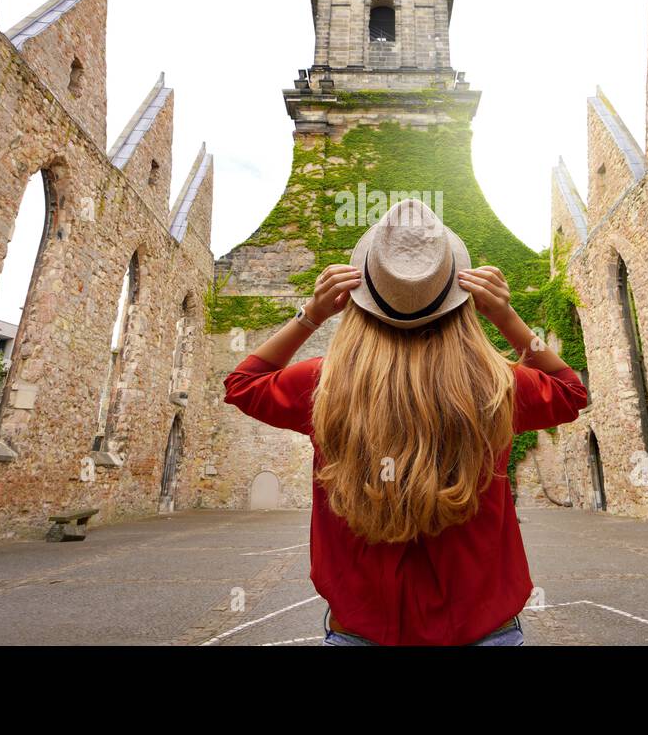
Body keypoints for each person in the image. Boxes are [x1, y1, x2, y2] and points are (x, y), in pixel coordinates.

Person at [222, 198, 588, 645]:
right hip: (481, 631)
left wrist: (311, 315)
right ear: (460, 299)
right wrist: (506, 317)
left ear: (360, 299)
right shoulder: (497, 387)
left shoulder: (325, 385)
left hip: (362, 632)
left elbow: (242, 383)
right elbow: (572, 392)